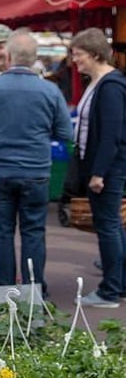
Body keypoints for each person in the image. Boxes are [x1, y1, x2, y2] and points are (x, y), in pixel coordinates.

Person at [0, 30, 71, 297]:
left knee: (1, 233)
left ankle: (5, 296)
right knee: (33, 232)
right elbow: (65, 133)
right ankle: (32, 295)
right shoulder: (50, 90)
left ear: (10, 55)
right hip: (35, 170)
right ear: (35, 57)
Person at [70, 28, 126, 308]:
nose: (74, 60)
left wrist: (99, 172)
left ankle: (110, 290)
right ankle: (119, 283)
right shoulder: (101, 83)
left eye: (78, 54)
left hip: (106, 169)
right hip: (104, 166)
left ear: (94, 54)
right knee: (111, 225)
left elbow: (111, 134)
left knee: (108, 226)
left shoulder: (110, 86)